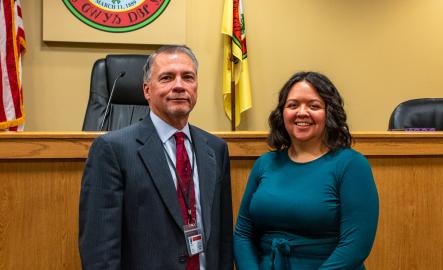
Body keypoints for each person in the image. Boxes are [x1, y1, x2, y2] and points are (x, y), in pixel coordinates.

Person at [79, 45, 233, 270]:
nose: (179, 85)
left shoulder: (216, 149)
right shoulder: (112, 150)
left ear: (196, 87)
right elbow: (99, 250)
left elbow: (223, 237)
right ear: (146, 90)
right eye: (167, 78)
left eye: (188, 77)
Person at [234, 71, 379, 270]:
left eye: (314, 106)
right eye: (293, 105)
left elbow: (355, 246)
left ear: (330, 113)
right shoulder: (265, 164)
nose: (302, 112)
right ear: (282, 113)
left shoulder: (351, 165)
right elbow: (243, 233)